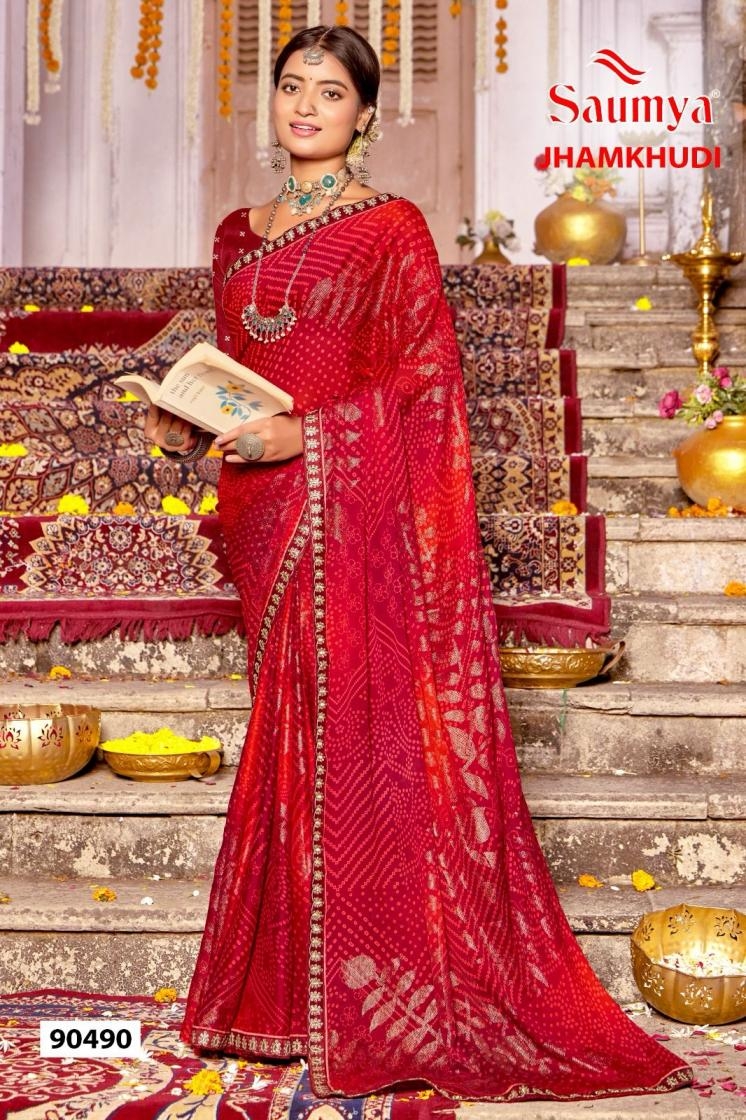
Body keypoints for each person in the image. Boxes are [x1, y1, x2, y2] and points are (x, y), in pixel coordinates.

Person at [146, 24, 692, 1105]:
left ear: (364, 115)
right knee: (292, 733)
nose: (305, 105)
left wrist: (309, 437)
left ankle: (363, 1000)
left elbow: (424, 382)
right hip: (261, 512)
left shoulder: (389, 228)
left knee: (350, 735)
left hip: (345, 506)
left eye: (329, 91)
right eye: (291, 86)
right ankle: (281, 1001)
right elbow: (238, 372)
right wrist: (185, 423)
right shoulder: (234, 234)